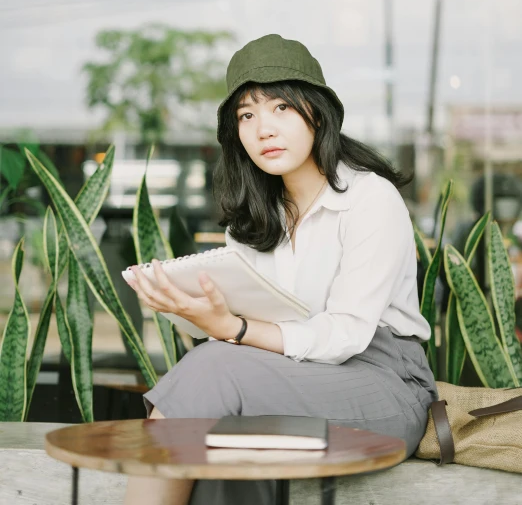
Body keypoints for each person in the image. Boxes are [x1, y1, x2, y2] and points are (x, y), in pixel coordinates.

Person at [123, 34, 438, 505]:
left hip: (384, 384)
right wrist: (191, 310)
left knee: (211, 368)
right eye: (246, 115)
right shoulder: (251, 220)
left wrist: (235, 329)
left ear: (316, 112)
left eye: (280, 109)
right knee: (220, 448)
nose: (263, 129)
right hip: (287, 378)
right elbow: (242, 345)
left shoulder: (370, 199)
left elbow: (347, 334)